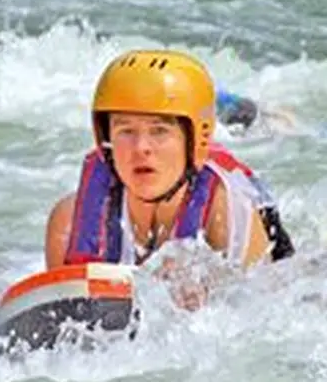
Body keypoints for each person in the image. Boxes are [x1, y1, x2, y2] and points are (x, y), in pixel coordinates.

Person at [45, 49, 295, 288]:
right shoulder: (67, 224)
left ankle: (270, 118)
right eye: (126, 131)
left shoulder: (227, 213)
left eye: (159, 131)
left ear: (195, 142)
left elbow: (264, 307)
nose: (141, 148)